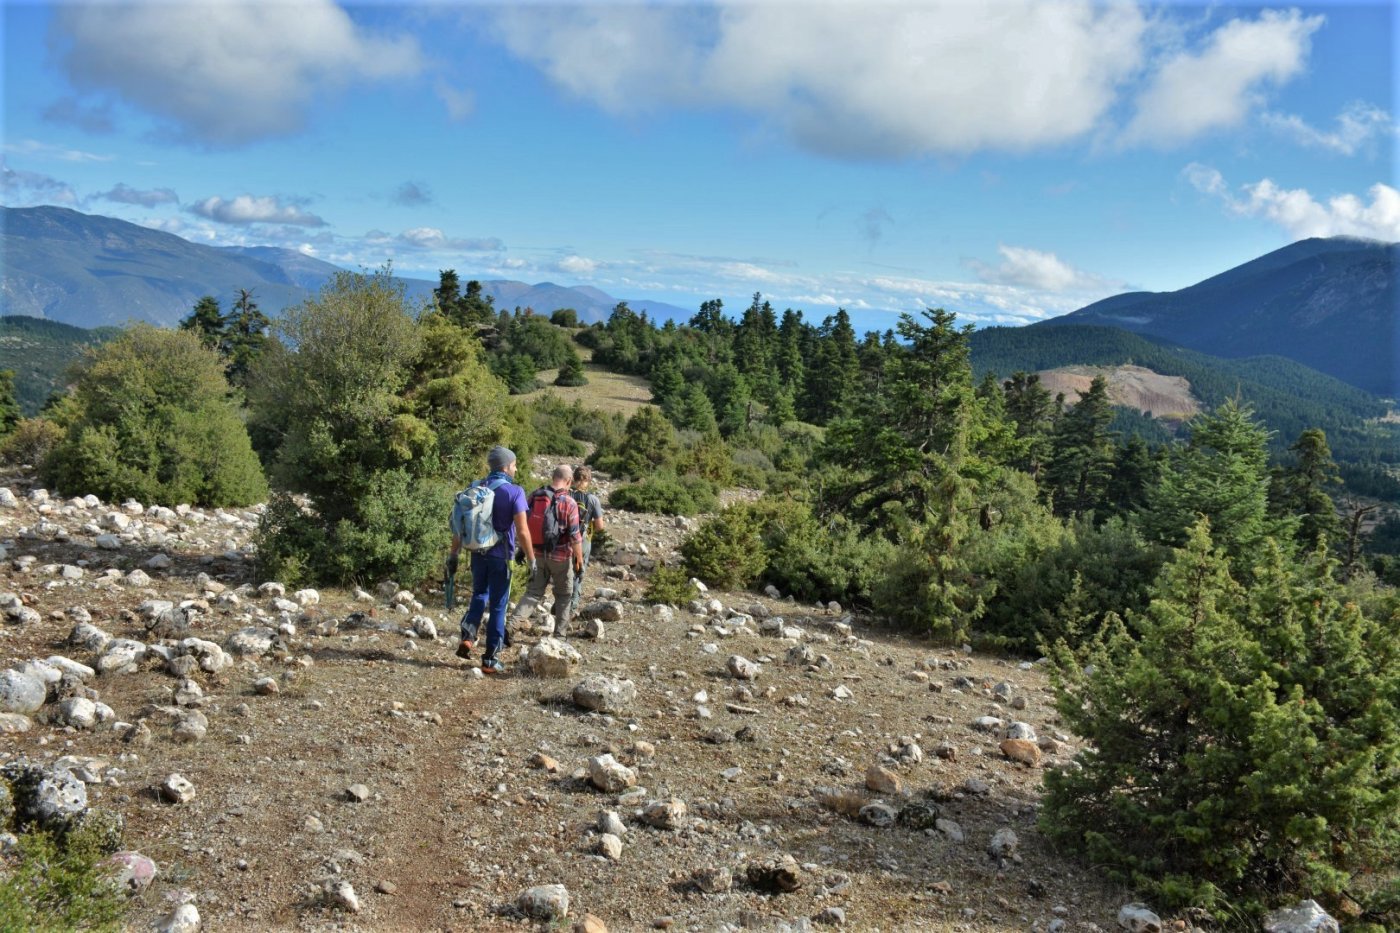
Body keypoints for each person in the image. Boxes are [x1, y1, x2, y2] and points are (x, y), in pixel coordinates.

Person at [447, 445, 533, 675]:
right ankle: (490, 660)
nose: (516, 468)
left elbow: (459, 527)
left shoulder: (476, 488)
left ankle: (468, 636)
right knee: (498, 606)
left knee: (479, 594)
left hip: (477, 554)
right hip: (501, 557)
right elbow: (523, 531)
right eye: (514, 465)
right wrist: (532, 560)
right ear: (506, 467)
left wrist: (453, 555)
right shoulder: (514, 492)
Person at [510, 464, 584, 637]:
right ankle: (560, 635)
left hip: (536, 553)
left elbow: (524, 525)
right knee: (564, 596)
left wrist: (523, 550)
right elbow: (575, 536)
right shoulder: (570, 502)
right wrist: (579, 559)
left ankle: (511, 627)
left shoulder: (535, 496)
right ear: (569, 481)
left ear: (553, 477)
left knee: (533, 593)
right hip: (561, 558)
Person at [567, 464, 606, 620]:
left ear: (574, 478)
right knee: (577, 573)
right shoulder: (592, 499)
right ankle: (572, 607)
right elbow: (600, 526)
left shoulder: (564, 494)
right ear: (588, 481)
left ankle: (560, 602)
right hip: (582, 541)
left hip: (562, 540)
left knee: (562, 573)